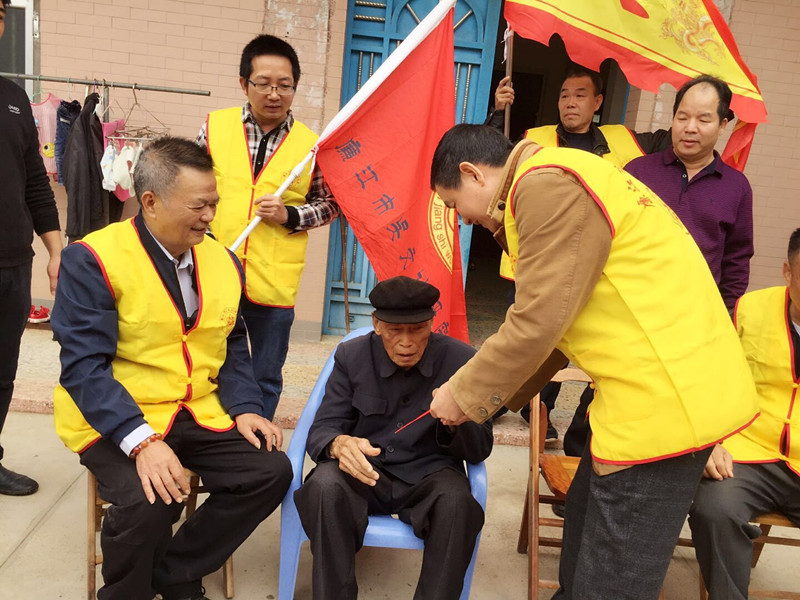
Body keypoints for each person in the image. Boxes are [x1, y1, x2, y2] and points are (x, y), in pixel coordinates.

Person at [428, 124, 758, 600]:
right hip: (637, 400)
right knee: (583, 545)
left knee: (611, 581)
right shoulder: (559, 174)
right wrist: (487, 402)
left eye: (453, 204)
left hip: (665, 406)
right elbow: (560, 324)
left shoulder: (544, 185)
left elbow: (537, 320)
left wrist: (461, 395)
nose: (461, 219)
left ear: (472, 173)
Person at [51, 137, 292, 600]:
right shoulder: (94, 259)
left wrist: (245, 406)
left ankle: (176, 572)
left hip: (195, 407)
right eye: (199, 206)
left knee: (270, 471)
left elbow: (230, 342)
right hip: (115, 413)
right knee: (149, 497)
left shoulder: (222, 260)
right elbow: (83, 367)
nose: (210, 216)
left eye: (214, 204)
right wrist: (142, 442)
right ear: (150, 202)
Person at [489, 67, 670, 445]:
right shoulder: (535, 139)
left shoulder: (621, 140)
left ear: (598, 101)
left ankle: (541, 409)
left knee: (565, 344)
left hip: (590, 266)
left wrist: (717, 109)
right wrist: (498, 111)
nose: (570, 102)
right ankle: (497, 403)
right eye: (564, 95)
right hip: (535, 260)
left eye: (580, 95)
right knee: (522, 339)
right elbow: (491, 155)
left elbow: (674, 141)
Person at [294, 276, 493, 600]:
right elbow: (324, 426)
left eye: (417, 329)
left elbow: (481, 447)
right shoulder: (351, 356)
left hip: (431, 474)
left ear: (431, 323)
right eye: (394, 330)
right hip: (366, 472)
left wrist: (458, 421)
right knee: (323, 486)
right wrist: (338, 444)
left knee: (458, 504)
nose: (406, 342)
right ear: (376, 324)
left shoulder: (461, 361)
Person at [197, 34, 339, 420]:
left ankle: (256, 445)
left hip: (274, 282)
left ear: (295, 86)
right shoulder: (214, 127)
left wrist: (289, 215)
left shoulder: (311, 146)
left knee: (265, 374)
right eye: (264, 83)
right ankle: (211, 435)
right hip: (213, 269)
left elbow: (330, 205)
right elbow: (190, 190)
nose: (274, 94)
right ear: (245, 83)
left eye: (284, 85)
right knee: (206, 364)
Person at [688, 229, 800, 600]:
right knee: (713, 509)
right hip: (748, 452)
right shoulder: (749, 309)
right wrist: (710, 440)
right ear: (787, 272)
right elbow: (711, 379)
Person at [0, 0, 63, 496]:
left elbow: (36, 184)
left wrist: (56, 250)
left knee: (2, 375)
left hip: (12, 264)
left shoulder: (15, 99)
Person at [626, 74, 754, 313]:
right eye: (682, 117)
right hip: (632, 309)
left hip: (695, 316)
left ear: (722, 125)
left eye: (703, 120)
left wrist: (724, 314)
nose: (690, 128)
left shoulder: (737, 187)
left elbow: (736, 262)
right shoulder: (637, 172)